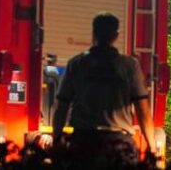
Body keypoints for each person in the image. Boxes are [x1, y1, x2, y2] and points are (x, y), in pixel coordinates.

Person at [52, 12, 157, 163]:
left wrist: (57, 140)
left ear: (94, 33)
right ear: (116, 35)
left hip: (84, 143)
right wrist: (151, 145)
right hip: (119, 144)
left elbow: (61, 105)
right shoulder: (129, 66)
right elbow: (143, 110)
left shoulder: (76, 64)